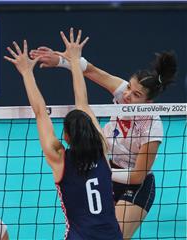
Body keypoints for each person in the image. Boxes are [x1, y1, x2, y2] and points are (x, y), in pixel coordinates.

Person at [29, 33, 177, 238]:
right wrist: (62, 61)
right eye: (129, 88)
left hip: (134, 186)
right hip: (106, 171)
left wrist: (101, 170)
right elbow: (90, 71)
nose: (127, 95)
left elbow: (137, 176)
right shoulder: (123, 92)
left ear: (148, 103)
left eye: (136, 95)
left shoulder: (153, 126)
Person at [4, 29, 122, 239]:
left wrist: (26, 72)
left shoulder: (59, 158)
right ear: (91, 130)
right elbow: (82, 102)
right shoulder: (102, 149)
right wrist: (74, 61)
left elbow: (41, 113)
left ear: (66, 136)